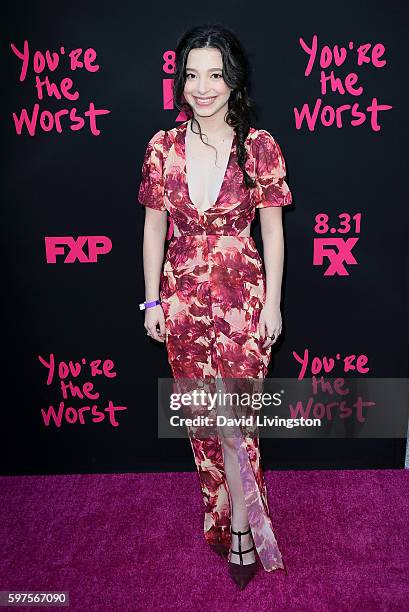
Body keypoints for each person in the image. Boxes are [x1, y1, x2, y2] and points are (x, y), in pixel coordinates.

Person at [138, 24, 293, 589]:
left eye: (215, 75)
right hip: (181, 302)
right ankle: (224, 519)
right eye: (191, 75)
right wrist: (152, 298)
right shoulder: (162, 146)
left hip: (243, 302)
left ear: (234, 80)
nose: (203, 87)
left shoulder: (259, 145)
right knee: (206, 422)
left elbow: (273, 233)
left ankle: (248, 533)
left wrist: (273, 304)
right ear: (181, 81)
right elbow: (154, 230)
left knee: (236, 425)